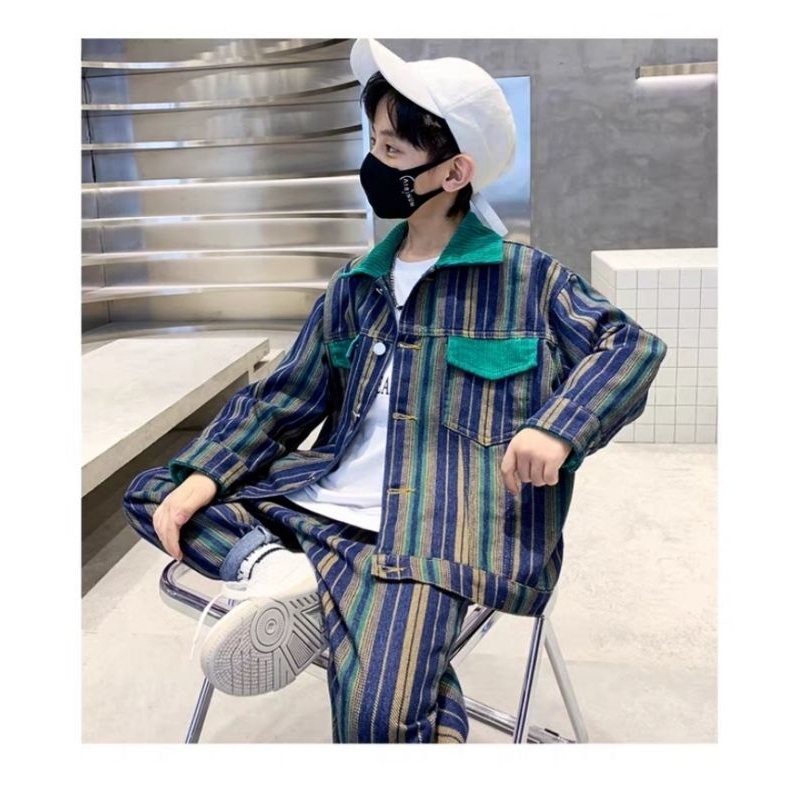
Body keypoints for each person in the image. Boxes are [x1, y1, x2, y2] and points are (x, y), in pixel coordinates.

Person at [123, 38, 666, 744]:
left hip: (434, 533)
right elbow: (283, 398)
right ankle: (281, 574)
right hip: (315, 507)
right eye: (373, 142)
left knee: (372, 721)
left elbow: (630, 346)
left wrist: (558, 426)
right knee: (159, 492)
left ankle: (341, 624)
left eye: (392, 149)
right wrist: (205, 474)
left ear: (454, 171)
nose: (373, 163)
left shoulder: (528, 280)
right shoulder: (356, 285)